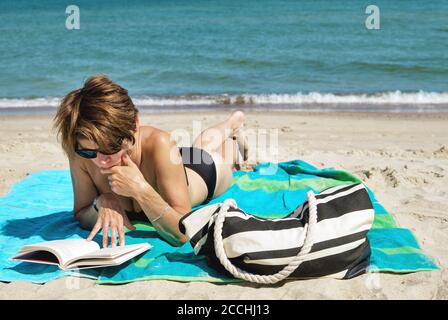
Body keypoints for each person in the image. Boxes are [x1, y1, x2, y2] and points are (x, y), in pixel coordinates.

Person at [53, 75, 248, 248]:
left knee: (213, 154)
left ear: (135, 124)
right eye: (90, 152)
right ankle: (231, 126)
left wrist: (141, 189)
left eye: (111, 148)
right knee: (199, 147)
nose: (101, 161)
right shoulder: (80, 150)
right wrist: (101, 202)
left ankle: (233, 126)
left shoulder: (161, 142)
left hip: (201, 172)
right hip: (170, 161)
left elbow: (183, 233)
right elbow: (81, 212)